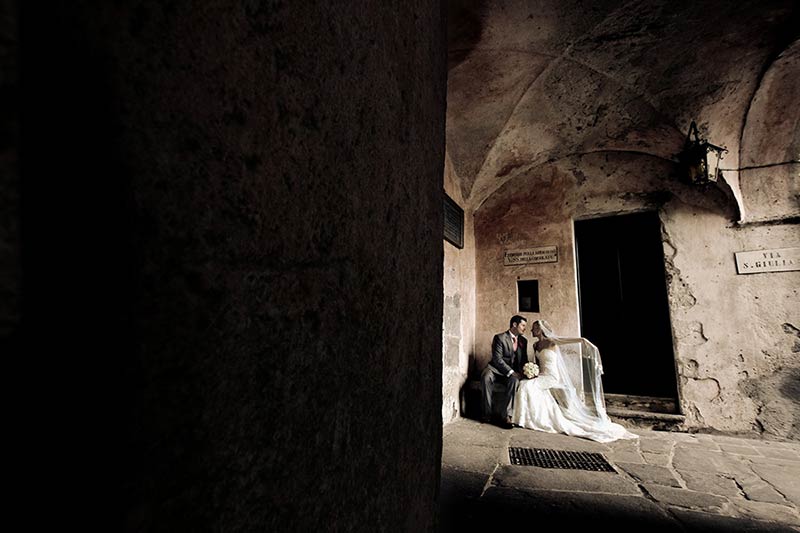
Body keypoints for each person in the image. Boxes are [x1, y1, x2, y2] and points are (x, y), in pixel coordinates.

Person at [512, 319, 638, 443]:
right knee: (525, 384)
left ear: (539, 330)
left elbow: (567, 340)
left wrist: (582, 340)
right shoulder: (535, 345)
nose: (531, 330)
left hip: (551, 376)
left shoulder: (551, 342)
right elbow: (538, 363)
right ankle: (531, 418)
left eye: (534, 328)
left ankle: (527, 419)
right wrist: (532, 371)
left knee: (526, 386)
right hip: (541, 375)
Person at [481, 315, 529, 428]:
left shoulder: (524, 341)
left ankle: (507, 416)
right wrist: (511, 371)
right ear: (514, 325)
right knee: (485, 377)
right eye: (523, 325)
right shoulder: (499, 337)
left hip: (510, 373)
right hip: (495, 369)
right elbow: (497, 359)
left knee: (515, 381)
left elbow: (524, 359)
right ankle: (487, 413)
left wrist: (527, 371)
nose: (524, 328)